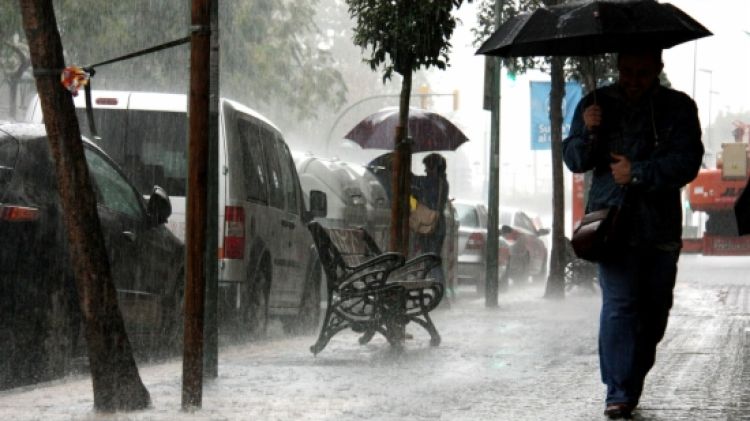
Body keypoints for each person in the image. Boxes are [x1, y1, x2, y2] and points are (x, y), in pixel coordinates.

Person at [563, 50, 704, 420]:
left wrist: (638, 172)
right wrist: (588, 131)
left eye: (642, 72)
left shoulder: (678, 107)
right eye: (627, 71)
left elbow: (688, 162)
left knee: (653, 314)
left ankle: (628, 381)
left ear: (657, 68)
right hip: (612, 227)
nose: (633, 79)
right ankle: (619, 392)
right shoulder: (597, 103)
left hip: (659, 230)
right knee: (621, 305)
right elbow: (575, 159)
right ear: (618, 67)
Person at [411, 153, 450, 285]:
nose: (425, 170)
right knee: (433, 259)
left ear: (434, 168)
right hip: (438, 224)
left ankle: (439, 291)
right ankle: (438, 290)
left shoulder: (430, 183)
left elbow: (413, 182)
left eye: (427, 167)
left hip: (430, 224)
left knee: (431, 260)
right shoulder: (443, 182)